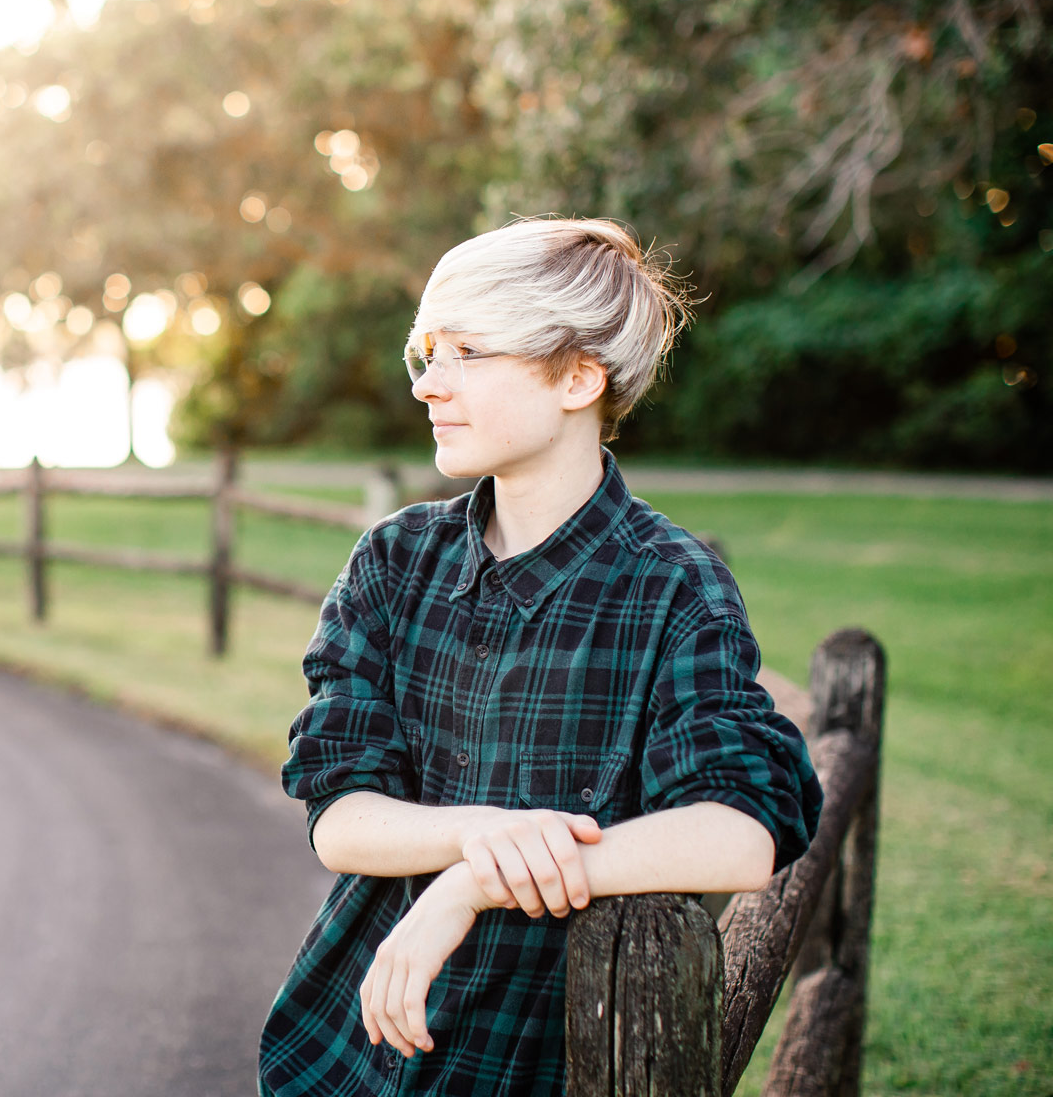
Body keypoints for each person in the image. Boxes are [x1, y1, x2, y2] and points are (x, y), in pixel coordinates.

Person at [256, 216, 823, 1097]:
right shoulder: (393, 561)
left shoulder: (672, 587)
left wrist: (474, 884)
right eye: (427, 352)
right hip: (348, 1055)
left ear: (578, 376)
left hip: (542, 1063)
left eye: (466, 353)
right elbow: (339, 814)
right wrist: (483, 833)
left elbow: (741, 834)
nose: (428, 386)